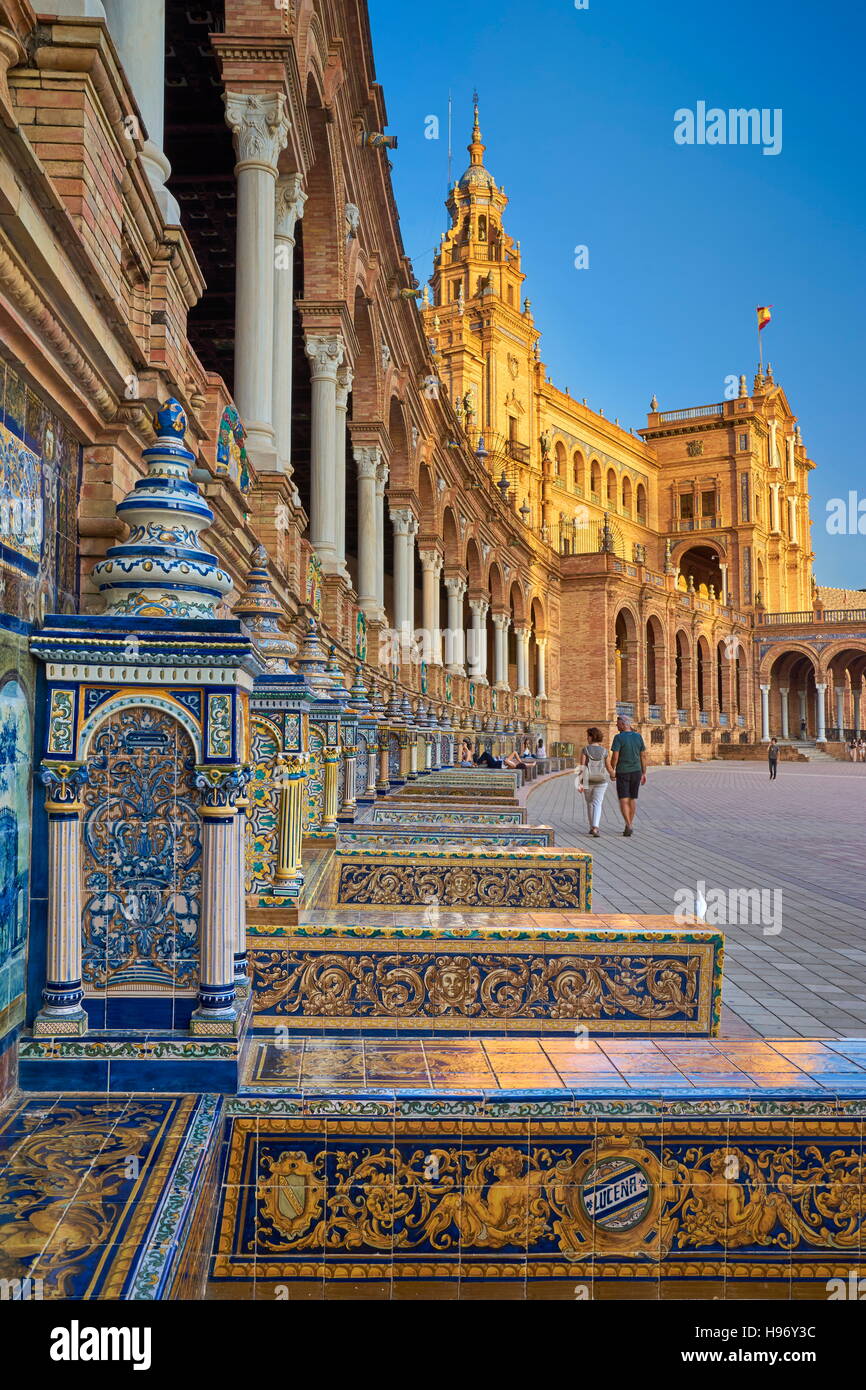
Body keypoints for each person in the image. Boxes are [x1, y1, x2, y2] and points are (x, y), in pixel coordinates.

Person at [609, 714, 646, 837]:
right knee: (632, 798)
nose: (616, 726)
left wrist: (612, 770)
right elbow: (643, 756)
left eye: (618, 723)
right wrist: (644, 772)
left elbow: (615, 756)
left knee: (623, 799)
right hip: (636, 771)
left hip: (623, 771)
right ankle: (630, 824)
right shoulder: (638, 737)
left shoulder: (618, 738)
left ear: (624, 724)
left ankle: (628, 824)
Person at [579, 727, 613, 837]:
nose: (587, 738)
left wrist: (579, 782)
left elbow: (582, 767)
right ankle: (595, 827)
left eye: (588, 736)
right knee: (597, 803)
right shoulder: (604, 751)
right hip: (601, 781)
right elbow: (609, 767)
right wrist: (613, 776)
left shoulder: (585, 750)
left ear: (591, 737)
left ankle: (591, 826)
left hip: (588, 781)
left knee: (589, 803)